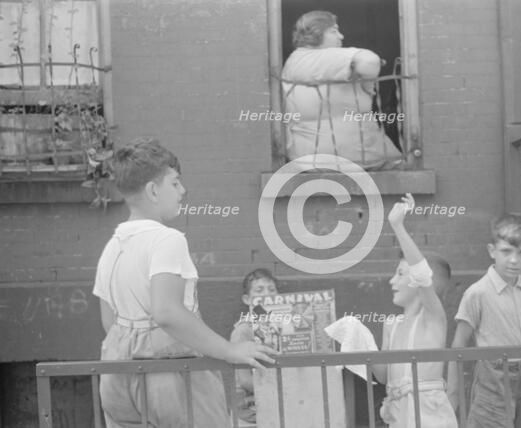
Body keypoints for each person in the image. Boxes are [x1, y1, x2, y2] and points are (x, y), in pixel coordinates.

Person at [93, 139, 276, 428]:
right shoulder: (168, 239)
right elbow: (166, 312)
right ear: (154, 190)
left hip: (116, 379)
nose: (183, 191)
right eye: (175, 183)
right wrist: (230, 351)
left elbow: (109, 322)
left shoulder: (113, 246)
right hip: (171, 379)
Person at [447, 213, 521, 428]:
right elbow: (458, 345)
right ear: (492, 251)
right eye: (506, 251)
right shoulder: (477, 293)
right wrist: (452, 396)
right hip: (492, 377)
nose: (514, 259)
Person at [371, 193, 458, 428]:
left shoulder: (433, 318)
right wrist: (362, 343)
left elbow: (422, 275)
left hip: (429, 413)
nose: (391, 281)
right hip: (399, 413)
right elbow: (382, 376)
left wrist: (397, 226)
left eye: (399, 274)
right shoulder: (391, 324)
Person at [281, 10, 403, 171]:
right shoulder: (329, 58)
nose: (341, 36)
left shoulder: (292, 62)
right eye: (334, 31)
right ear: (316, 33)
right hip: (365, 161)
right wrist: (359, 63)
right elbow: (369, 63)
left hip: (307, 162)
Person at [229, 268, 280, 426]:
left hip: (277, 408)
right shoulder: (243, 331)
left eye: (272, 289)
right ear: (247, 299)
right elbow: (245, 380)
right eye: (259, 290)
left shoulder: (281, 327)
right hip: (250, 415)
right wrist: (281, 391)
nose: (267, 294)